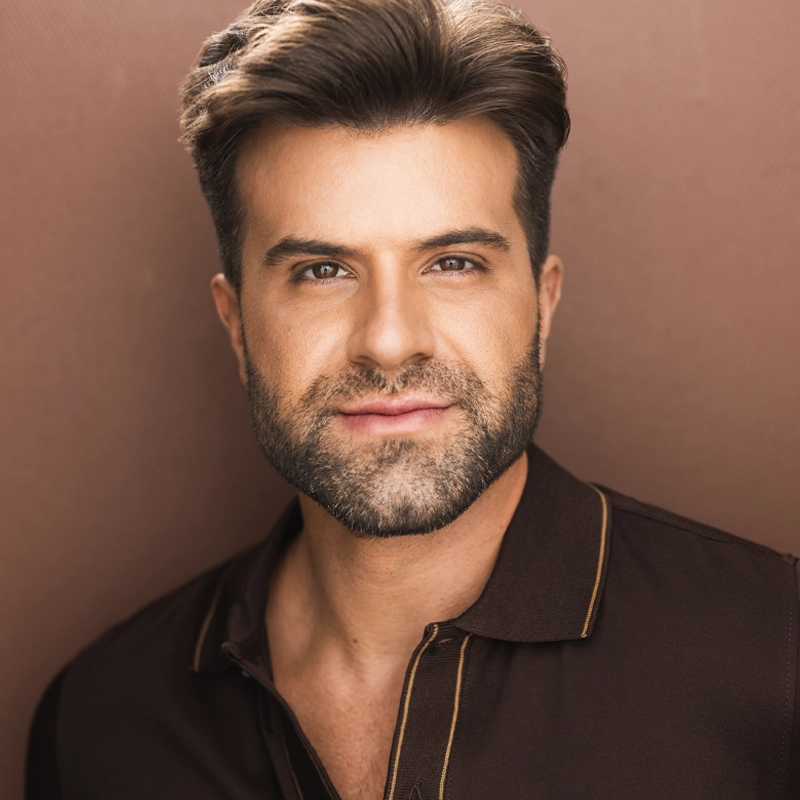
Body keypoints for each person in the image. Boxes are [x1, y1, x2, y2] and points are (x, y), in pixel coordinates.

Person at [25, 0, 800, 797]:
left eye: (454, 263)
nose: (390, 340)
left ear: (542, 305)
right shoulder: (99, 719)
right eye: (322, 271)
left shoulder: (776, 659)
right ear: (236, 324)